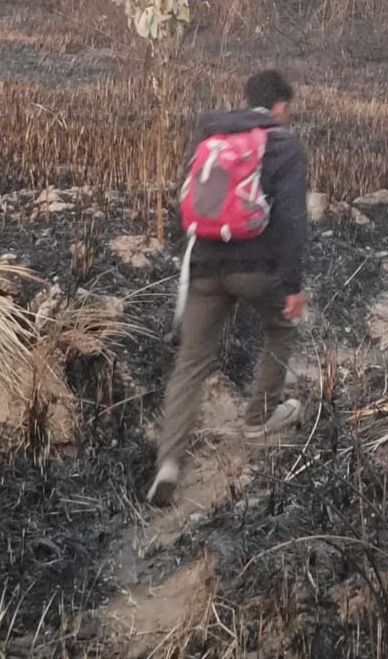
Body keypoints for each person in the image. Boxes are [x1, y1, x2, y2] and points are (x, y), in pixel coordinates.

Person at [147, 70, 309, 508]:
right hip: (255, 268)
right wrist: (292, 285)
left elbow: (190, 202)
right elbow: (293, 219)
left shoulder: (211, 139)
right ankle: (258, 419)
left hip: (203, 265)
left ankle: (169, 463)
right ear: (280, 106)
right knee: (282, 327)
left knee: (191, 362)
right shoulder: (282, 145)